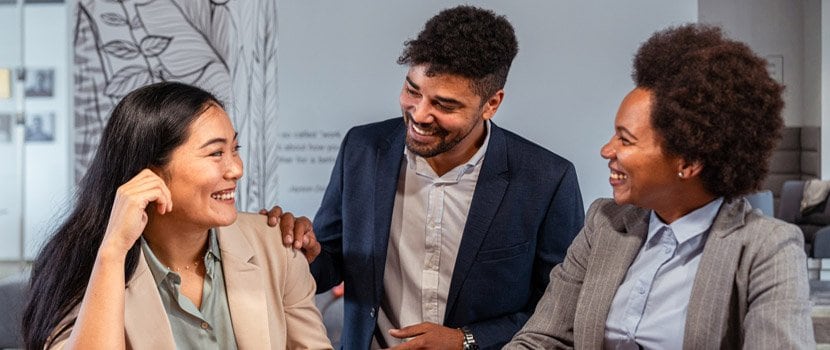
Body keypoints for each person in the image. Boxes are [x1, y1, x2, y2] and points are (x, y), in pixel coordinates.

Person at [505, 24, 814, 349]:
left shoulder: (766, 250)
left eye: (625, 139)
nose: (607, 150)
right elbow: (543, 337)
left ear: (688, 162)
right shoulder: (605, 223)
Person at [306, 5, 584, 349]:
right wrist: (306, 254)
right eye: (412, 91)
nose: (420, 114)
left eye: (445, 105)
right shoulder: (362, 150)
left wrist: (465, 340)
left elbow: (563, 312)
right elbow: (328, 265)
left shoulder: (546, 180)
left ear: (491, 104)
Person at [22, 82, 332, 349]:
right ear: (150, 173)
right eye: (216, 153)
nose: (236, 169)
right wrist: (113, 253)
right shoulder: (86, 264)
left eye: (235, 149)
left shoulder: (277, 247)